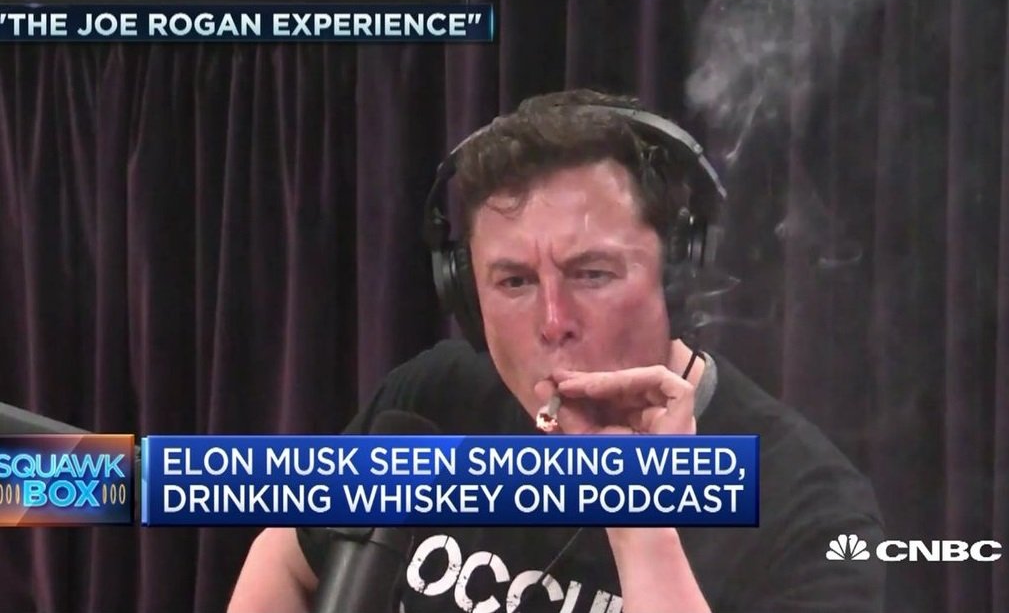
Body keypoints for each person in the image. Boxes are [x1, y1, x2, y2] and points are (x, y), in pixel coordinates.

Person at [228, 89, 885, 613]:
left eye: (591, 273)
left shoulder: (807, 508)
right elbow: (287, 554)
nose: (552, 322)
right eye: (514, 282)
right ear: (464, 292)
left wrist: (641, 520)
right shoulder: (432, 402)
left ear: (676, 276)